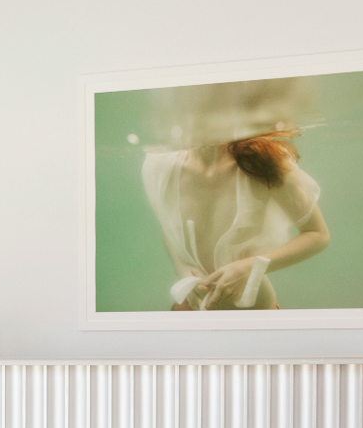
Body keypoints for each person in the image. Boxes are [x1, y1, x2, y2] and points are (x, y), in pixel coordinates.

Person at [141, 127, 330, 310]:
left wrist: (249, 267)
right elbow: (169, 226)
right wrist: (182, 267)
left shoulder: (265, 161)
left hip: (254, 314)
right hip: (191, 306)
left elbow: (317, 234)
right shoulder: (162, 164)